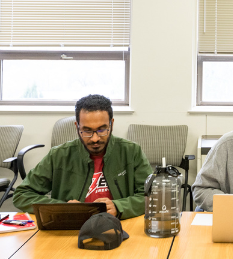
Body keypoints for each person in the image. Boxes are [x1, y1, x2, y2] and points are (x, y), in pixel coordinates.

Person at [13, 94, 152, 219]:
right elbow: (21, 195)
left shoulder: (131, 152)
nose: (95, 138)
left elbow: (152, 196)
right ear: (77, 127)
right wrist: (61, 208)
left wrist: (119, 207)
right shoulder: (59, 155)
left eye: (102, 129)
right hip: (71, 227)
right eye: (87, 131)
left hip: (118, 226)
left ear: (112, 124)